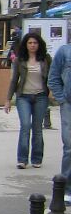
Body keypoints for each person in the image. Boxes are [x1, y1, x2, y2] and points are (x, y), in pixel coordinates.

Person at [4, 33, 51, 169]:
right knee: (25, 125)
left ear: (39, 44)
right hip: (23, 97)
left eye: (35, 43)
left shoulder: (46, 59)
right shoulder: (20, 60)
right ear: (25, 44)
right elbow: (14, 81)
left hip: (41, 96)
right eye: (30, 43)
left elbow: (52, 77)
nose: (32, 45)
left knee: (37, 128)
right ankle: (22, 159)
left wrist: (53, 92)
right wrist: (8, 100)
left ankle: (37, 158)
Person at [48, 41, 71, 189]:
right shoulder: (64, 52)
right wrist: (62, 99)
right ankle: (67, 188)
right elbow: (53, 77)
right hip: (69, 104)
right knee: (70, 147)